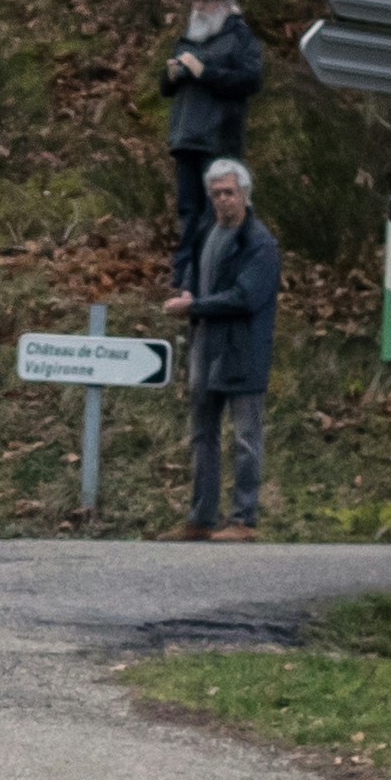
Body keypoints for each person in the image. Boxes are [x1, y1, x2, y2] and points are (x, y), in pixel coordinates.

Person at [161, 157, 278, 537]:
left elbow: (245, 297)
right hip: (205, 346)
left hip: (244, 351)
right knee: (203, 434)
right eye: (216, 194)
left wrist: (194, 306)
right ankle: (201, 518)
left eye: (229, 192)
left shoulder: (259, 242)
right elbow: (195, 271)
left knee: (245, 437)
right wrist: (188, 291)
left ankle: (243, 519)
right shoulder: (207, 231)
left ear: (245, 193)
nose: (222, 200)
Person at [164, 0, 265, 283]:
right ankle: (184, 277)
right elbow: (167, 89)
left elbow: (250, 81)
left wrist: (205, 73)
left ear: (223, 5)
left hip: (218, 139)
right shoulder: (189, 37)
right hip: (185, 138)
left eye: (205, 2)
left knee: (214, 213)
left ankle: (205, 276)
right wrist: (170, 76)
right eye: (195, 1)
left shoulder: (240, 38)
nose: (198, 7)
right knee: (188, 211)